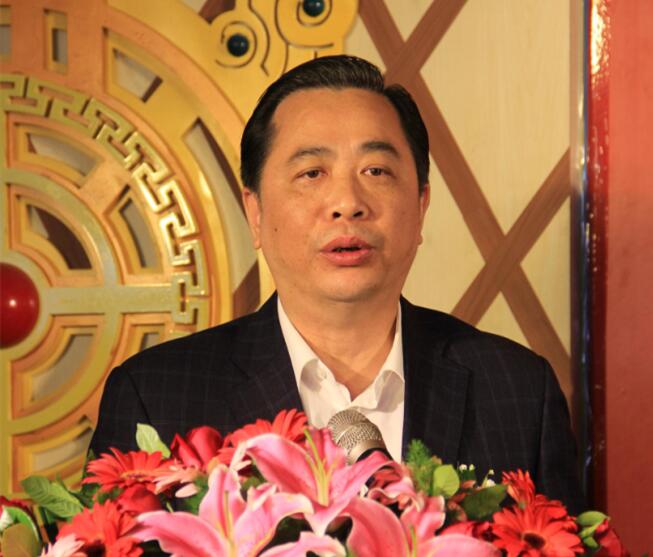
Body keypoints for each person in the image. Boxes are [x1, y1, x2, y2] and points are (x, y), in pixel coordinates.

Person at [89, 55, 585, 513]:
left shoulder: (517, 392)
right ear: (255, 212)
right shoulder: (157, 397)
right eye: (312, 173)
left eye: (376, 170)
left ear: (421, 205)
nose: (347, 202)